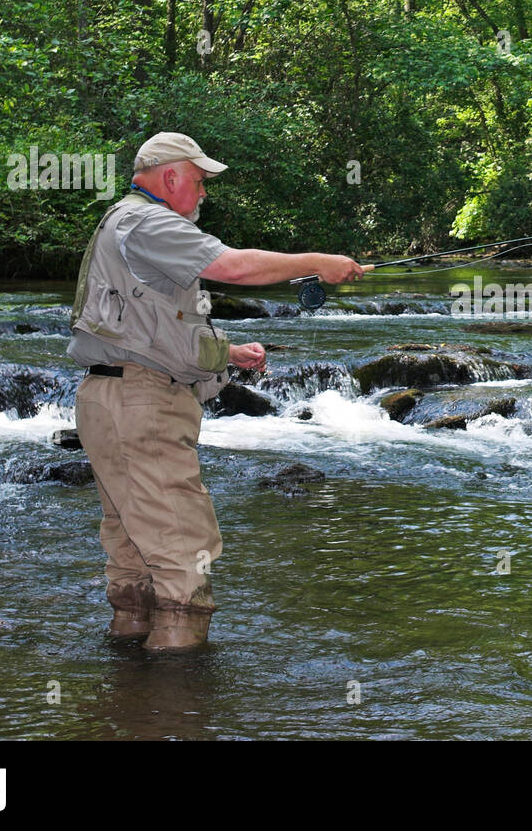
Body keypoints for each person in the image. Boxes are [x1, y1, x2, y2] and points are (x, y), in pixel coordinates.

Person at [68, 132, 366, 651]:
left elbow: (143, 323)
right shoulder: (151, 220)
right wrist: (316, 262)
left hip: (108, 400)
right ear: (172, 177)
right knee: (183, 560)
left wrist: (226, 354)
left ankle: (128, 701)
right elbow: (232, 267)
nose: (205, 193)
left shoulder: (122, 220)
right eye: (201, 182)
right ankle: (176, 705)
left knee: (135, 560)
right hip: (142, 405)